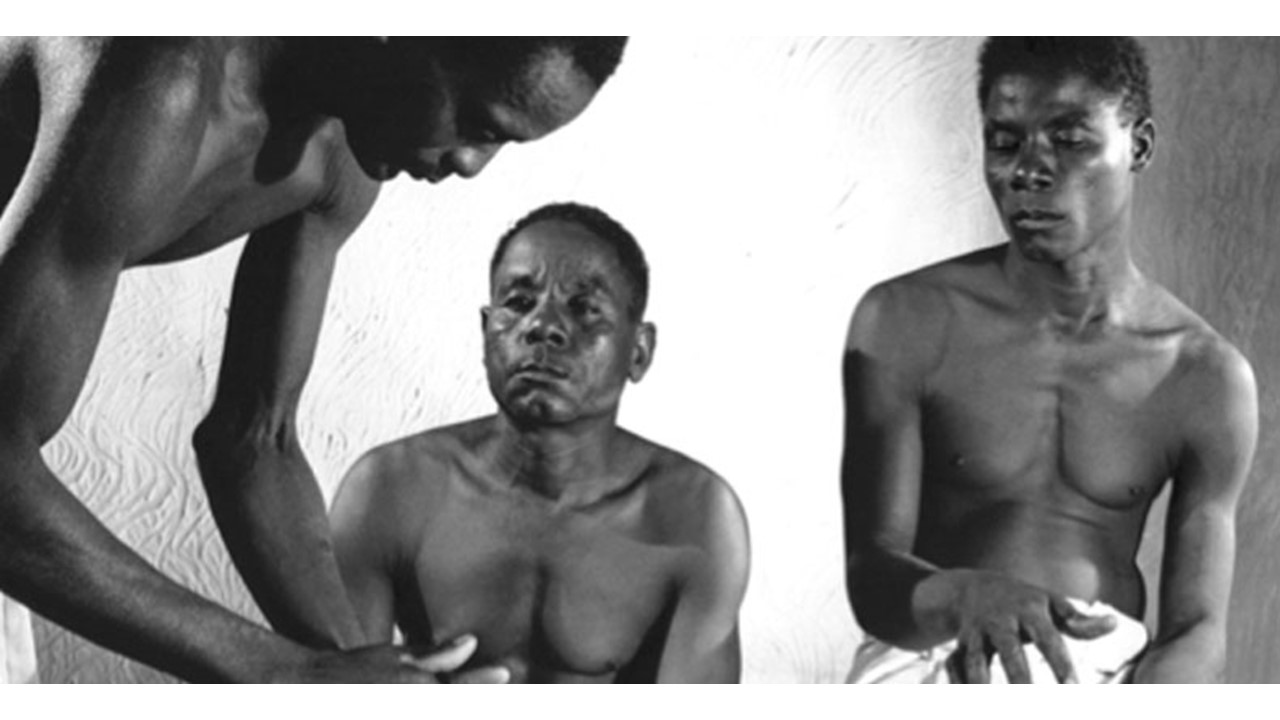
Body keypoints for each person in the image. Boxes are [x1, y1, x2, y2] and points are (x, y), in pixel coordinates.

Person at [0, 36, 625, 683]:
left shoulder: (341, 159)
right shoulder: (161, 75)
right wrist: (287, 673)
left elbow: (255, 442)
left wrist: (382, 673)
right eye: (475, 122)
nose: (471, 163)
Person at [841, 36, 1258, 684]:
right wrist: (965, 596)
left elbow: (1197, 628)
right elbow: (872, 574)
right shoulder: (904, 320)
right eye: (1005, 141)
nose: (1027, 171)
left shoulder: (1203, 376)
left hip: (1106, 676)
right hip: (933, 660)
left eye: (1068, 140)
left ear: (1139, 146)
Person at [329, 202, 751, 683]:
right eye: (518, 303)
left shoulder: (693, 514)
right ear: (486, 330)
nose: (542, 326)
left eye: (585, 308)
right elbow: (337, 693)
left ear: (639, 350)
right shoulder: (390, 489)